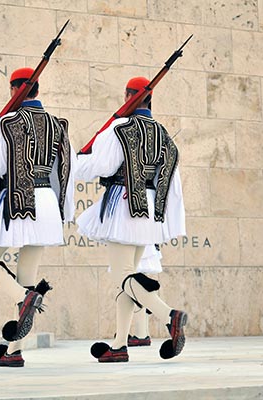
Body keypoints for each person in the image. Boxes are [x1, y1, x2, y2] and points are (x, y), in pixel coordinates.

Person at [0, 67, 75, 367]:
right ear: (36, 90)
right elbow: (65, 171)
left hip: (18, 200)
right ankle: (14, 351)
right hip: (47, 203)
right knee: (27, 277)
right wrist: (62, 210)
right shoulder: (58, 125)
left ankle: (24, 298)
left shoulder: (8, 123)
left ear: (14, 90)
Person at [75, 76, 187, 363]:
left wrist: (76, 162)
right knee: (128, 277)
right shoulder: (163, 134)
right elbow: (171, 180)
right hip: (149, 209)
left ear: (128, 96)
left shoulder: (119, 128)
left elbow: (102, 165)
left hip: (124, 205)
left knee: (123, 275)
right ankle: (119, 344)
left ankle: (168, 316)